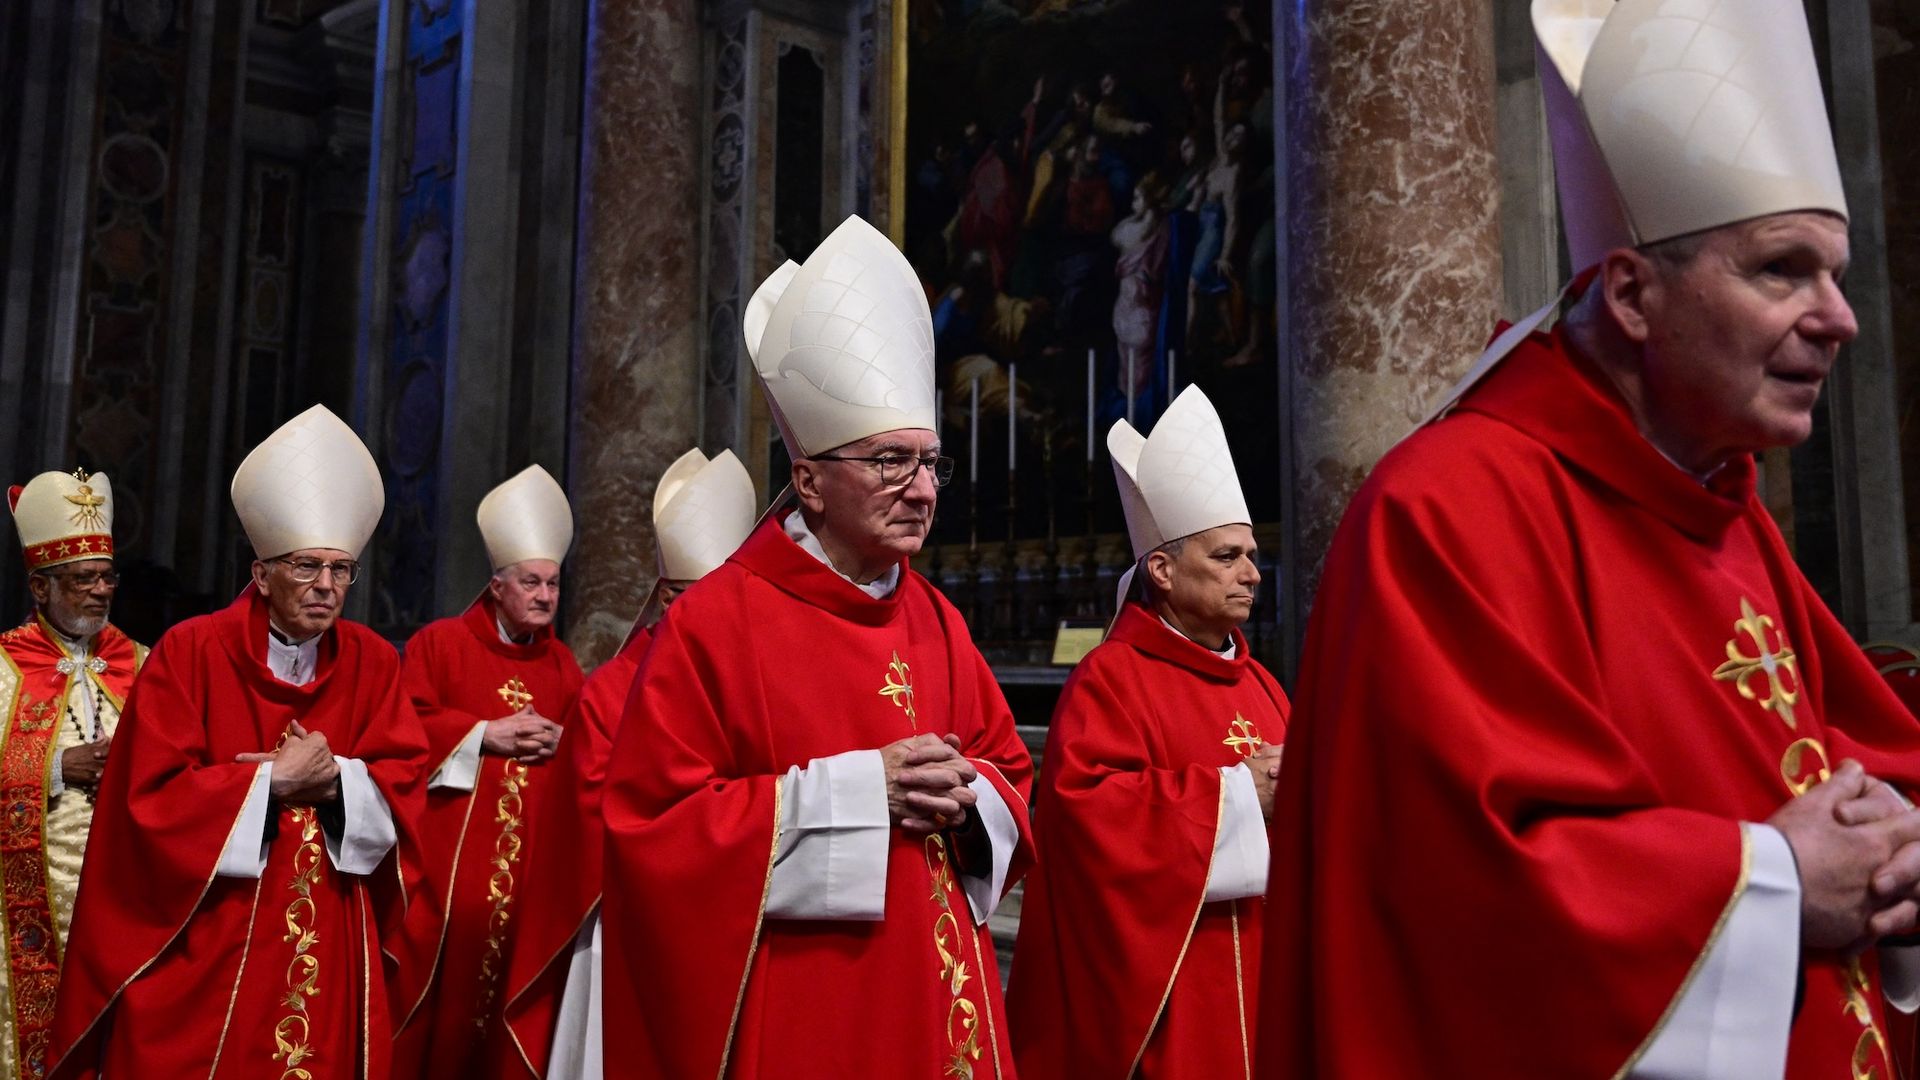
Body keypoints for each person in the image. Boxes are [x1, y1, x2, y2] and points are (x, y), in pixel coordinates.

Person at [1260, 2, 1920, 1077]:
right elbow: (1454, 906)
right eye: (1782, 270)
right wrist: (1777, 883)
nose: (1838, 317)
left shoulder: (1721, 501)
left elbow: (1861, 759)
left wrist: (1898, 854)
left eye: (1835, 275)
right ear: (1631, 294)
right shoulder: (1443, 512)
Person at [599, 215, 1034, 1079]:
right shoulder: (717, 623)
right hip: (813, 1004)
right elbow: (653, 829)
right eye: (890, 462)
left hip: (943, 997)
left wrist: (969, 795)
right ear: (809, 481)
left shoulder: (937, 620)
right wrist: (862, 791)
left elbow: (1012, 775)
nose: (921, 491)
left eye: (930, 464)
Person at [49, 405, 427, 1080]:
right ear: (260, 574)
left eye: (342, 570)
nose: (326, 587)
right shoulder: (190, 652)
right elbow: (144, 804)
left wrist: (337, 780)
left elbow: (406, 787)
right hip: (213, 933)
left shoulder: (373, 660)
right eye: (306, 566)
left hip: (329, 932)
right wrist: (267, 783)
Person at [1009, 386, 1288, 1079]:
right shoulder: (1112, 680)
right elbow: (1088, 824)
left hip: (1269, 977)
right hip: (1171, 998)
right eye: (1227, 557)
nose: (1252, 574)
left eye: (1251, 555)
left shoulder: (1264, 686)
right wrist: (1238, 796)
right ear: (1161, 570)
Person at [501, 448, 759, 1079]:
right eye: (701, 599)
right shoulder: (612, 691)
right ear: (667, 597)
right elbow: (595, 825)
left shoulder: (756, 684)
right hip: (627, 930)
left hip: (734, 921)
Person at [393, 465, 583, 1078]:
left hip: (532, 881)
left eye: (553, 584)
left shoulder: (563, 666)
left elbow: (588, 755)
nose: (545, 596)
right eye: (531, 582)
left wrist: (566, 743)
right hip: (449, 881)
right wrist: (482, 733)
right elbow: (402, 734)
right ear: (497, 586)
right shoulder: (440, 645)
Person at [0, 470, 145, 1079]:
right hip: (30, 906)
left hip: (127, 894)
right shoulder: (3, 667)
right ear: (41, 586)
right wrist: (58, 768)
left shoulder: (144, 664)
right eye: (83, 579)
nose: (101, 591)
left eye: (107, 577)